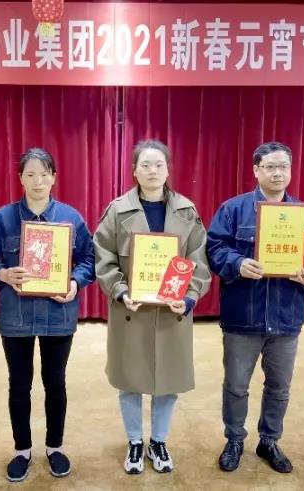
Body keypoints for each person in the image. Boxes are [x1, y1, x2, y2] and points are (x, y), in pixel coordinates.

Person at [0, 148, 95, 482]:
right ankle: (22, 450)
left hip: (58, 314)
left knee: (55, 382)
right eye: (30, 174)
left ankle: (55, 447)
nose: (37, 181)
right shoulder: (3, 219)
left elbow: (90, 259)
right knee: (19, 384)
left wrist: (74, 282)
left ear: (54, 178)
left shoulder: (71, 218)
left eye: (44, 174)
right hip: (16, 316)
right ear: (21, 179)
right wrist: (1, 273)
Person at [93, 140, 211, 475]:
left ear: (168, 169)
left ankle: (158, 440)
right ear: (134, 171)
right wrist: (120, 290)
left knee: (168, 381)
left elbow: (199, 261)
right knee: (130, 380)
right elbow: (103, 257)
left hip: (173, 312)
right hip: (131, 311)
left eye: (159, 164)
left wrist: (189, 297)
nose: (152, 171)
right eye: (145, 165)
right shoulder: (117, 211)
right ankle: (134, 441)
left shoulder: (187, 211)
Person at [206, 142, 304, 473]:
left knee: (279, 387)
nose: (277, 173)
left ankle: (269, 440)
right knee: (236, 385)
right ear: (256, 170)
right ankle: (234, 439)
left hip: (286, 316)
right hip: (243, 316)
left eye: (283, 166)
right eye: (270, 166)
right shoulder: (233, 209)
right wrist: (237, 262)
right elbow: (213, 249)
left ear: (291, 170)